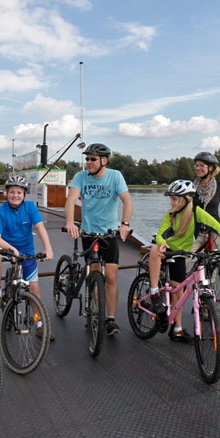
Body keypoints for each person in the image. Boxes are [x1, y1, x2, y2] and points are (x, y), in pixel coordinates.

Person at [148, 180, 220, 342]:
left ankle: (177, 329)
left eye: (175, 199)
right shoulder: (170, 215)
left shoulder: (197, 213)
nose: (171, 202)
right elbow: (161, 233)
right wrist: (162, 242)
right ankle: (154, 292)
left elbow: (218, 228)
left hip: (181, 254)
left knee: (178, 291)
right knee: (155, 248)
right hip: (167, 251)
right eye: (171, 199)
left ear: (186, 200)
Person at [65, 143, 132, 337]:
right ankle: (96, 311)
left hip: (109, 233)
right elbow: (70, 201)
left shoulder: (115, 176)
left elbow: (127, 200)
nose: (88, 162)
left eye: (93, 159)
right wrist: (71, 222)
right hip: (88, 232)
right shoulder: (80, 177)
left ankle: (110, 319)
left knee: (111, 276)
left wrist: (125, 224)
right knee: (94, 275)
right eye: (87, 159)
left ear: (104, 161)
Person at [0, 175, 55, 340]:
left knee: (34, 290)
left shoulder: (30, 207)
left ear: (24, 194)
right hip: (6, 249)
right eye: (12, 192)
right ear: (6, 193)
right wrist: (11, 250)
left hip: (26, 251)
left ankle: (40, 325)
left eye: (19, 192)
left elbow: (40, 228)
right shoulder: (0, 212)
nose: (15, 195)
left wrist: (48, 249)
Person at [192, 152, 220, 251]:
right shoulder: (191, 187)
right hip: (196, 231)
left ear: (211, 168)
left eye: (201, 165)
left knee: (215, 261)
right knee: (186, 260)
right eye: (196, 165)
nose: (198, 168)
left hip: (215, 230)